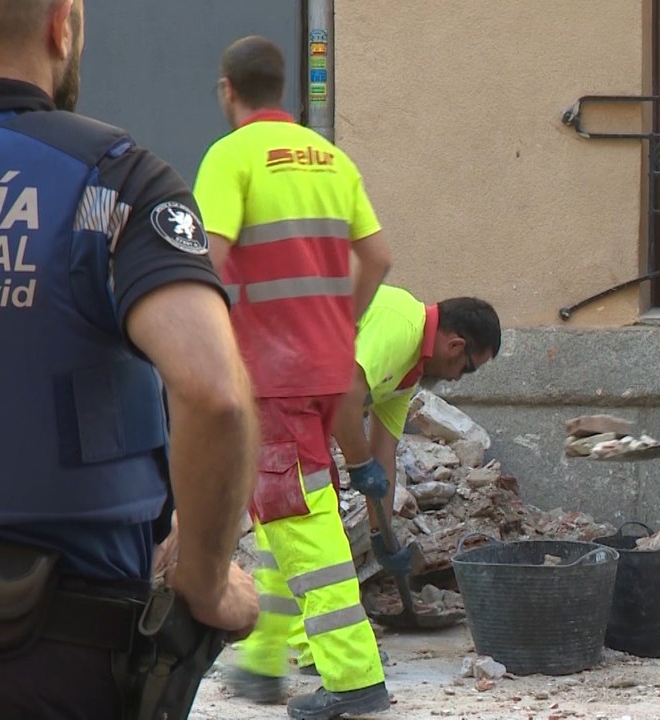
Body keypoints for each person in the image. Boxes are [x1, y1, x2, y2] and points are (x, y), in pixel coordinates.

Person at [0, 1, 261, 718]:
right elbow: (214, 392)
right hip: (54, 654)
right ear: (62, 25)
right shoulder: (111, 179)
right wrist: (205, 580)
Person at [190, 35, 394, 720]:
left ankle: (354, 679)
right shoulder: (331, 157)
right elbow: (379, 257)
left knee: (300, 519)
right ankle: (261, 662)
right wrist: (341, 325)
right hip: (323, 367)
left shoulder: (230, 156)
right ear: (284, 90)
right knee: (281, 512)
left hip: (268, 372)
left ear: (228, 90)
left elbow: (207, 263)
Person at [332, 287, 501, 528]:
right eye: (467, 368)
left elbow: (384, 454)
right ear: (455, 346)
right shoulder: (402, 324)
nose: (457, 378)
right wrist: (360, 464)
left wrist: (382, 534)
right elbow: (343, 396)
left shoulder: (408, 371)